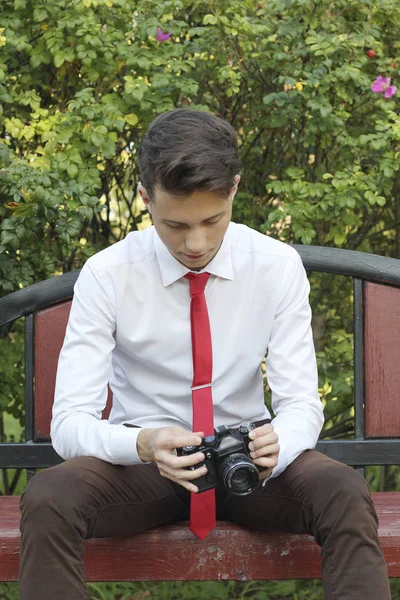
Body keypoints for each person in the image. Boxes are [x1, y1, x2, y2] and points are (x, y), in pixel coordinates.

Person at [19, 109, 391, 599]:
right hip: (145, 467)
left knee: (343, 493)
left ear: (234, 189)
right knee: (48, 498)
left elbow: (302, 404)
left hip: (251, 466)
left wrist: (277, 443)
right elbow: (69, 423)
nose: (195, 243)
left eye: (212, 220)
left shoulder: (276, 267)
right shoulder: (108, 274)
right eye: (174, 225)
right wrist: (145, 444)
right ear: (145, 199)